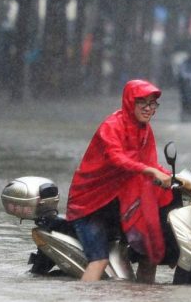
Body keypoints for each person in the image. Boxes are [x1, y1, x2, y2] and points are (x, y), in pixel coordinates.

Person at [66, 79, 174, 283]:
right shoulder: (112, 126)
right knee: (99, 260)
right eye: (143, 102)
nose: (148, 108)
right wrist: (150, 170)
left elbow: (150, 163)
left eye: (153, 104)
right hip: (89, 205)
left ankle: (144, 299)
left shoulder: (144, 131)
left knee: (149, 253)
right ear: (130, 102)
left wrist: (176, 179)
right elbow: (118, 159)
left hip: (117, 202)